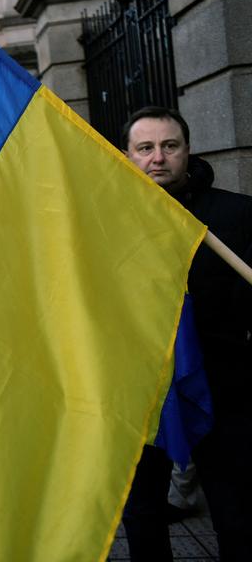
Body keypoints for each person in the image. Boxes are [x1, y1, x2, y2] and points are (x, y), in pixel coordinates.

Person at [121, 106, 252, 561]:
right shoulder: (108, 221)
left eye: (169, 146)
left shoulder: (236, 214)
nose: (158, 157)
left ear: (187, 150)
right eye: (146, 148)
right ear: (128, 155)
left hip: (224, 388)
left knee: (237, 513)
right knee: (142, 514)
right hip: (139, 391)